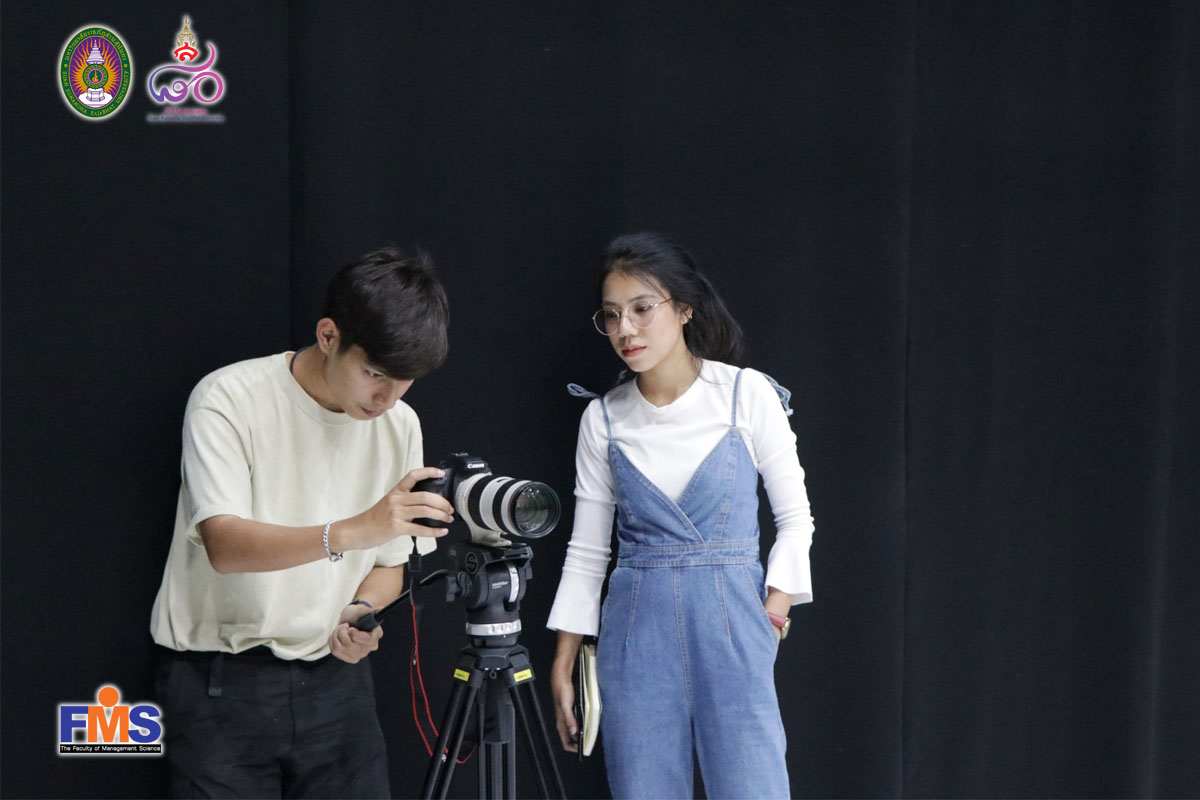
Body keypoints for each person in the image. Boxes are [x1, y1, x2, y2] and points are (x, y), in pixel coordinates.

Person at [149, 247, 455, 798]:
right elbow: (225, 544)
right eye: (374, 373)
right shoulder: (228, 397)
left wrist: (360, 611)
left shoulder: (400, 423)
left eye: (405, 380)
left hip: (337, 683)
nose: (386, 398)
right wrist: (356, 529)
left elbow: (390, 565)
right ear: (329, 335)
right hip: (221, 681)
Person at [547, 233, 815, 799]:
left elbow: (796, 518)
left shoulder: (746, 395)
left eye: (642, 308)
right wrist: (563, 660)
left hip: (735, 625)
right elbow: (588, 551)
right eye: (612, 315)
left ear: (685, 308)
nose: (626, 329)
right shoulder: (604, 419)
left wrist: (772, 617)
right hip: (634, 635)